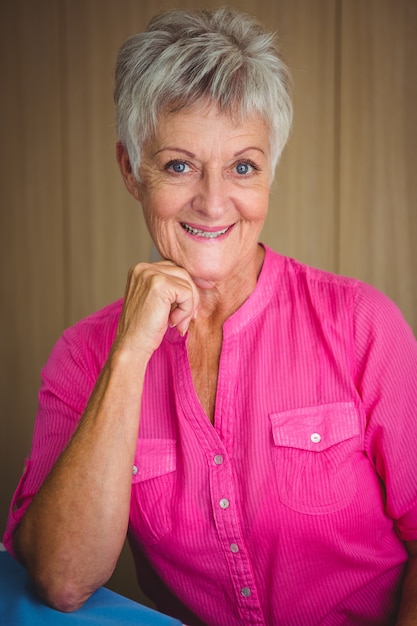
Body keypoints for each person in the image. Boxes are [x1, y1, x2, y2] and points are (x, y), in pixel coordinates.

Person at [3, 6, 417, 625]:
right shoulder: (82, 356)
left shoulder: (362, 325)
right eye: (179, 165)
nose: (214, 200)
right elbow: (61, 579)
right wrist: (127, 356)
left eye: (242, 167)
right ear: (130, 171)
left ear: (268, 172)